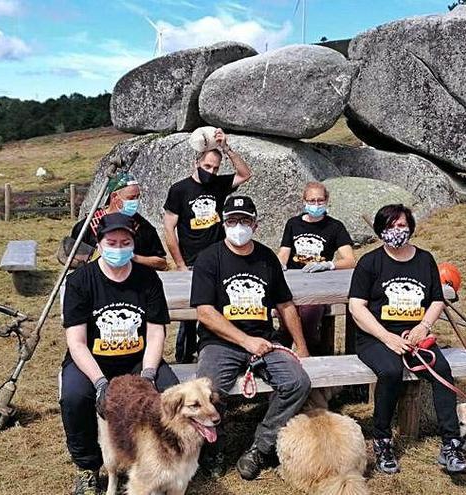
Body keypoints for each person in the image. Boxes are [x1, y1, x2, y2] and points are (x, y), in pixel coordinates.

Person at [190, 195, 311, 481]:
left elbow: (285, 305)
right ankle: (213, 447)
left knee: (297, 382)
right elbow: (205, 313)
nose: (238, 226)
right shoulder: (209, 258)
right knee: (209, 391)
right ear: (223, 223)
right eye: (232, 221)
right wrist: (245, 341)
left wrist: (303, 348)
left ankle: (260, 446)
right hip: (221, 342)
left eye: (244, 221)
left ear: (255, 224)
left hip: (265, 341)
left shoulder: (267, 258)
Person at [60, 213, 180, 495]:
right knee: (75, 397)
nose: (118, 248)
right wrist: (100, 382)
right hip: (92, 360)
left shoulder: (148, 279)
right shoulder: (80, 281)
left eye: (124, 242)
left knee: (170, 395)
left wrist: (148, 375)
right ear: (99, 244)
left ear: (133, 244)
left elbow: (155, 332)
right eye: (111, 242)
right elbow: (76, 342)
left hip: (138, 360)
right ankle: (88, 467)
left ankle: (163, 461)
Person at [347, 204, 466, 476]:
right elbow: (356, 307)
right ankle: (382, 440)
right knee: (390, 371)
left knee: (442, 372)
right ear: (381, 230)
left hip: (416, 336)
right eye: (390, 226)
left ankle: (451, 443)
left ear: (411, 227)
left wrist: (423, 327)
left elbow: (438, 299)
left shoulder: (425, 260)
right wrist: (386, 337)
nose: (396, 231)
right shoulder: (370, 262)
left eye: (401, 225)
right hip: (376, 337)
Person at [163, 129, 252, 363]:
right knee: (190, 315)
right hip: (192, 263)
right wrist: (180, 264)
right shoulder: (179, 190)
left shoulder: (218, 184)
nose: (210, 172)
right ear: (196, 162)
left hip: (219, 259)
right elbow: (169, 229)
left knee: (220, 308)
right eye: (207, 167)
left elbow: (244, 174)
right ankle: (184, 357)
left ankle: (218, 350)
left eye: (214, 168)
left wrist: (227, 148)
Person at [276, 182, 355, 355]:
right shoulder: (293, 224)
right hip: (294, 281)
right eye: (312, 200)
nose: (316, 205)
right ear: (304, 201)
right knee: (285, 308)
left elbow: (350, 260)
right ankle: (286, 349)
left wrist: (328, 264)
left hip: (319, 283)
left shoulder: (335, 227)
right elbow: (284, 252)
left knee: (310, 312)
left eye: (320, 200)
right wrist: (279, 264)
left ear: (327, 200)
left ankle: (309, 348)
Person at [69, 172, 168, 271]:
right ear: (114, 197)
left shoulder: (143, 226)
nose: (136, 201)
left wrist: (132, 257)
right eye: (131, 198)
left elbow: (161, 263)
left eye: (138, 197)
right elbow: (71, 262)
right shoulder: (88, 226)